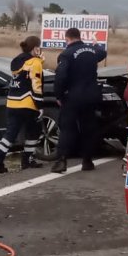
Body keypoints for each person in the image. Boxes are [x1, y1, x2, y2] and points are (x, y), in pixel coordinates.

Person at [51, 27, 107, 173]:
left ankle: (61, 161)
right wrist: (96, 44)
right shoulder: (92, 51)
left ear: (67, 39)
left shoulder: (66, 54)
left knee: (67, 128)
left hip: (73, 97)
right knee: (89, 128)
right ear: (80, 36)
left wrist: (59, 95)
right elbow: (103, 53)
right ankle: (87, 161)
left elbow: (61, 77)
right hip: (91, 96)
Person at [0, 35, 46, 173]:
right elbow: (36, 85)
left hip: (12, 103)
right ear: (35, 48)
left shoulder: (16, 61)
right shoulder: (35, 62)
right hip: (27, 103)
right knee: (34, 131)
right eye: (39, 47)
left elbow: (21, 79)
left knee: (11, 134)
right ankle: (27, 160)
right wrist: (40, 106)